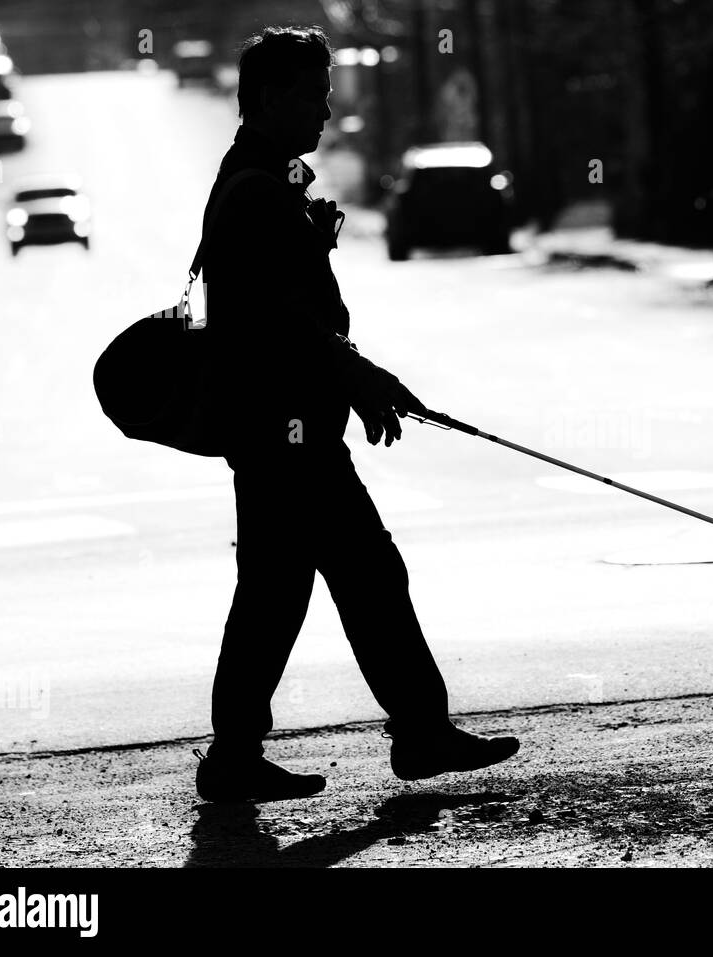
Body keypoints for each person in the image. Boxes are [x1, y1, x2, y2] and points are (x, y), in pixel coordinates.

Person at [192, 24, 518, 802]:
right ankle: (418, 731)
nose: (326, 109)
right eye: (312, 93)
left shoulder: (261, 180)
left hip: (280, 427)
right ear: (270, 98)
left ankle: (242, 751)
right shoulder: (257, 191)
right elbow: (285, 326)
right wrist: (364, 378)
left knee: (277, 592)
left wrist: (317, 247)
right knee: (362, 572)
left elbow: (286, 311)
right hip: (287, 431)